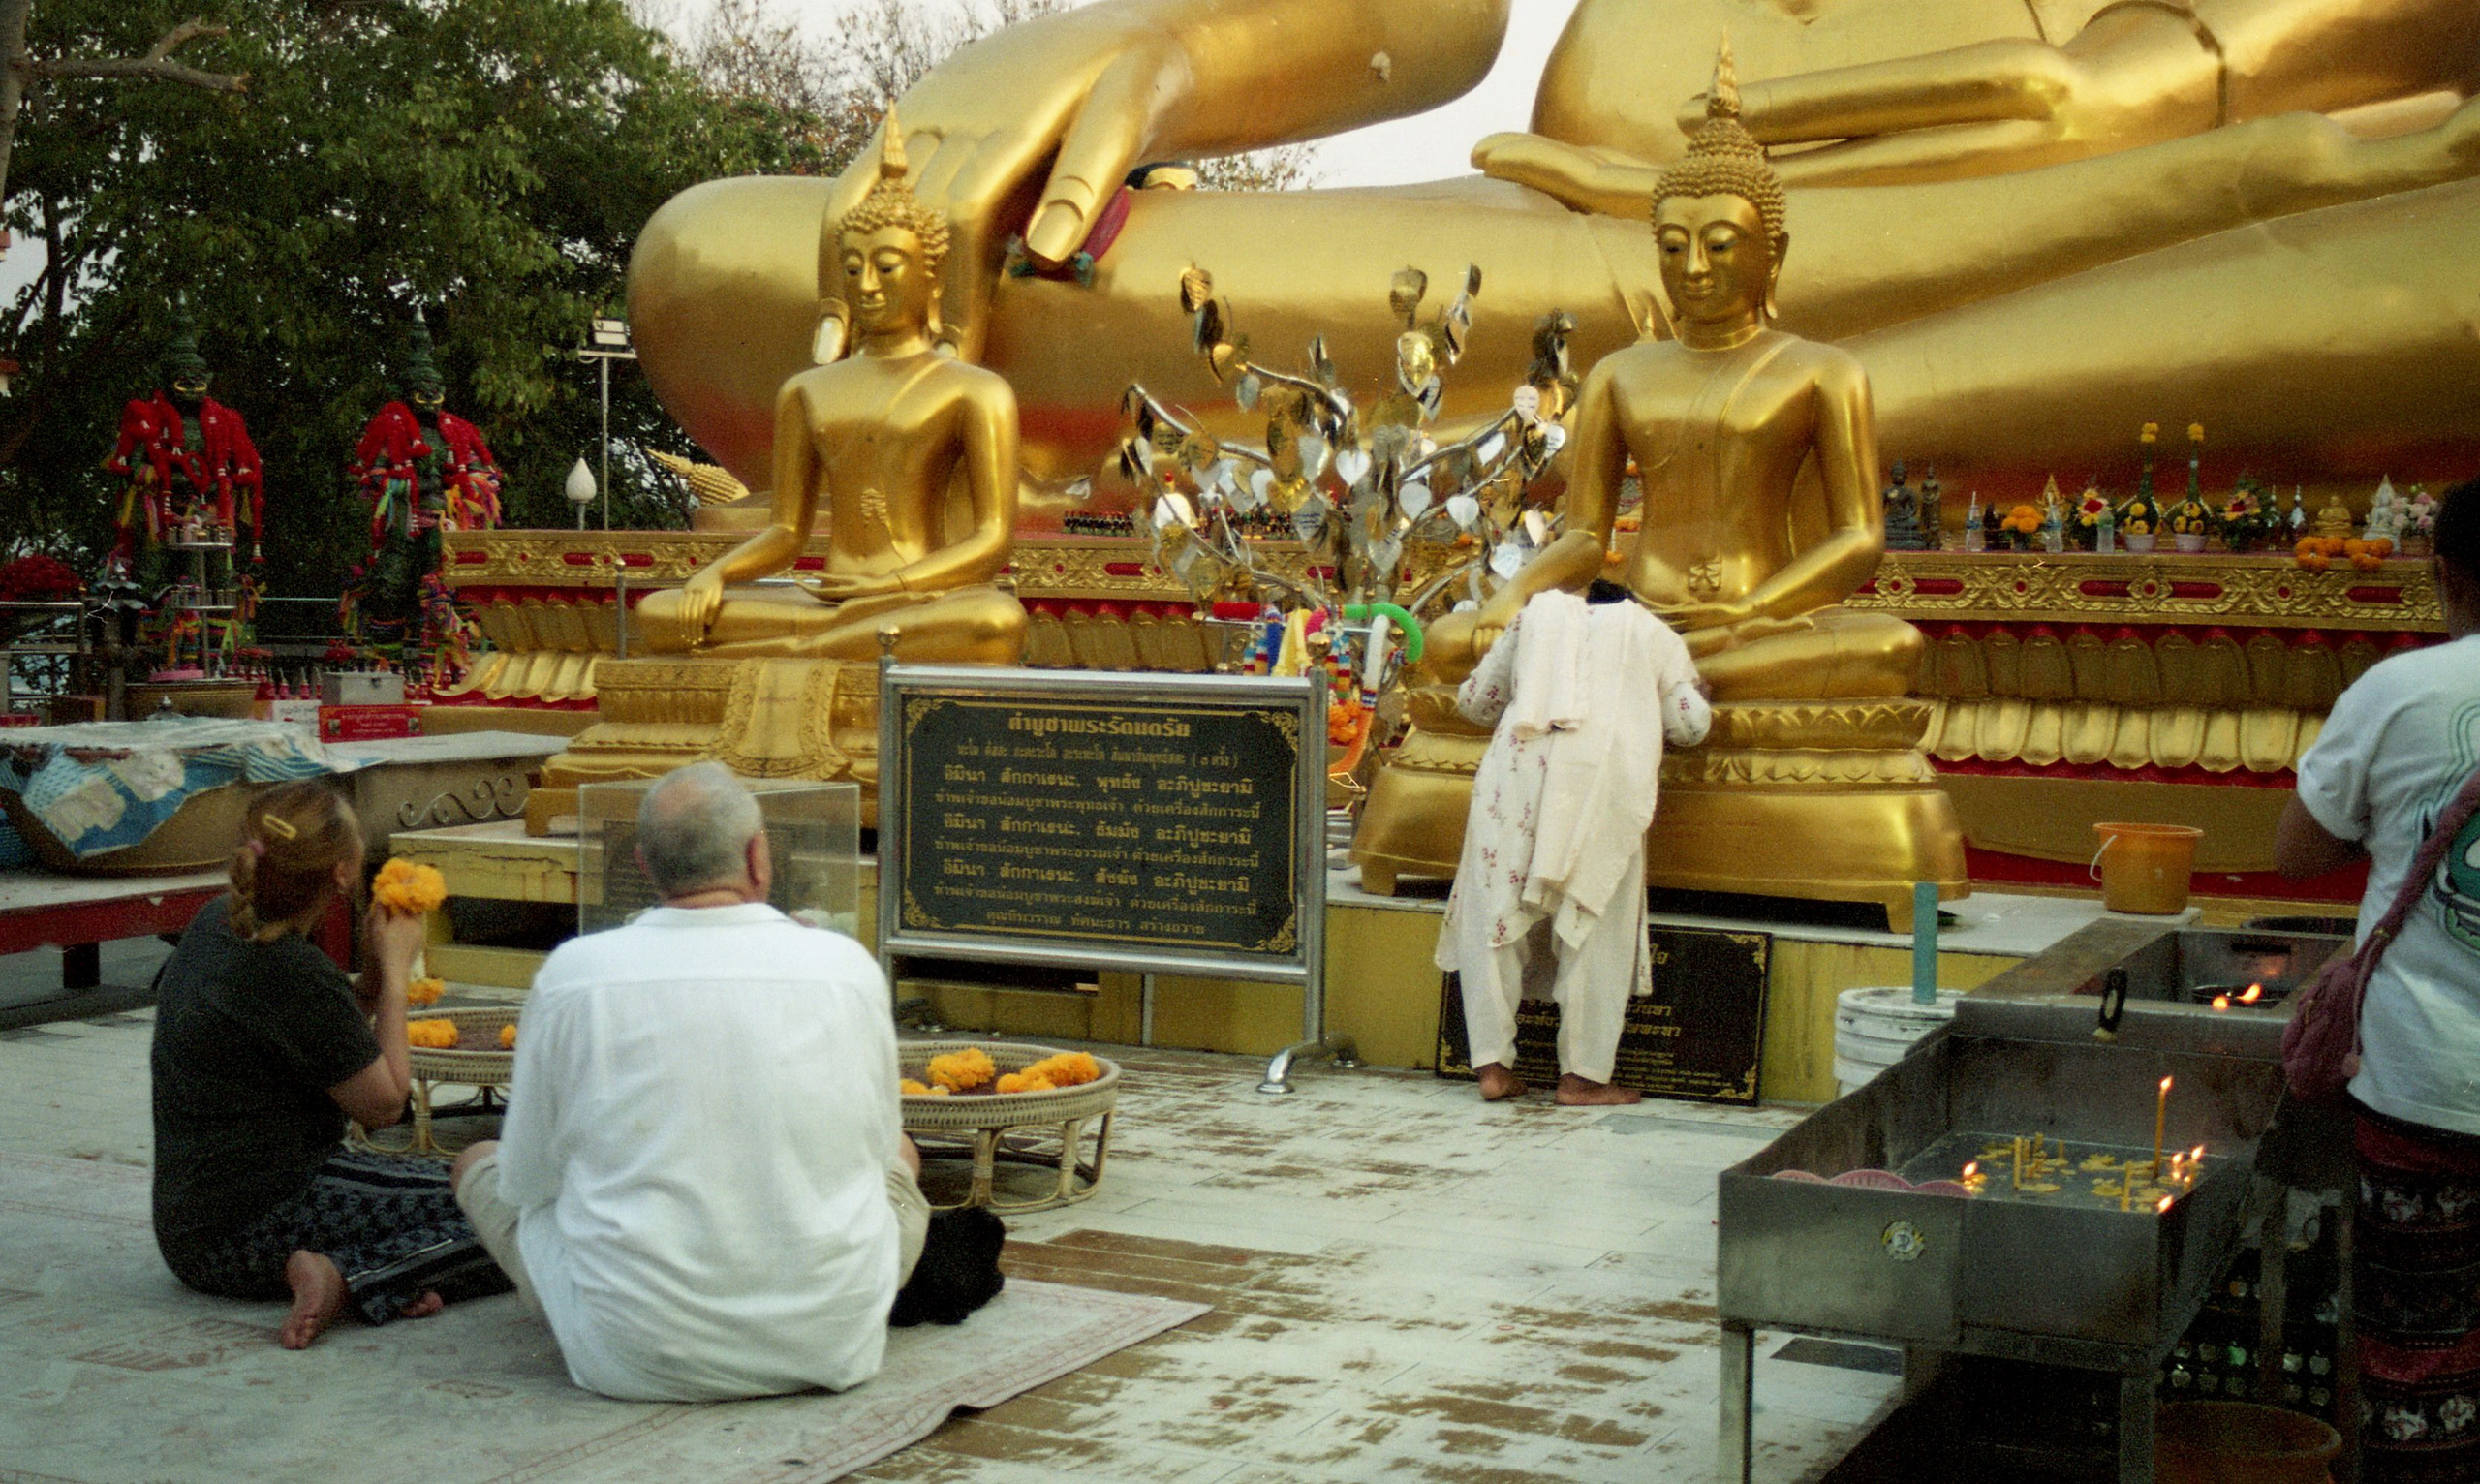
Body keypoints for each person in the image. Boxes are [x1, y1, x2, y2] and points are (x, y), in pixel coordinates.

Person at [450, 763, 948, 1401]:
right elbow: (878, 1150)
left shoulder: (575, 974)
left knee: (478, 1160)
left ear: (644, 866)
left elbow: (527, 1182)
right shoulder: (845, 966)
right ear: (757, 856)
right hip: (831, 1344)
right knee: (902, 1154)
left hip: (635, 1356)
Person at [2277, 477, 2480, 1481]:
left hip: (2423, 1087)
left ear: (2444, 575)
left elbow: (2292, 847)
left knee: (2416, 1358)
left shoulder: (2399, 690)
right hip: (2422, 1088)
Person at [150, 779, 507, 1350]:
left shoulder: (219, 922)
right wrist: (394, 973)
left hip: (194, 1229)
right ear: (342, 873)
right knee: (523, 1213)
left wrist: (365, 977)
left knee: (495, 1201)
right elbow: (387, 1106)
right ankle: (351, 1276)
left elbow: (320, 1036)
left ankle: (359, 1274)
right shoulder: (286, 967)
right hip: (264, 1220)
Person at [1437, 582, 1711, 1105]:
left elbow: (1474, 702)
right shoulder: (1655, 632)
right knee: (1592, 923)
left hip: (1515, 774)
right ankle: (1582, 1077)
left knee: (1494, 918)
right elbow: (1691, 725)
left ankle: (1493, 1068)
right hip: (1601, 784)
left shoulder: (1533, 617)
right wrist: (1702, 693)